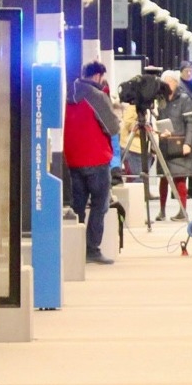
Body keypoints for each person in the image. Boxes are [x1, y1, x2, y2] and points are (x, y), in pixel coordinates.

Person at [64, 62, 119, 264]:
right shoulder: (96, 96)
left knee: (77, 206)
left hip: (72, 159)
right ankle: (92, 250)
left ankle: (75, 251)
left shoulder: (67, 92)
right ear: (97, 76)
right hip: (96, 159)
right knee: (99, 206)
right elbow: (112, 127)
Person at [156, 71, 192, 221]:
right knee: (163, 178)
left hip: (179, 144)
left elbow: (191, 123)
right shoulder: (160, 99)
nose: (167, 85)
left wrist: (188, 143)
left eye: (169, 82)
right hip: (164, 144)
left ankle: (183, 211)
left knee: (180, 178)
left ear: (176, 83)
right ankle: (161, 211)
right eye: (164, 82)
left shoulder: (185, 99)